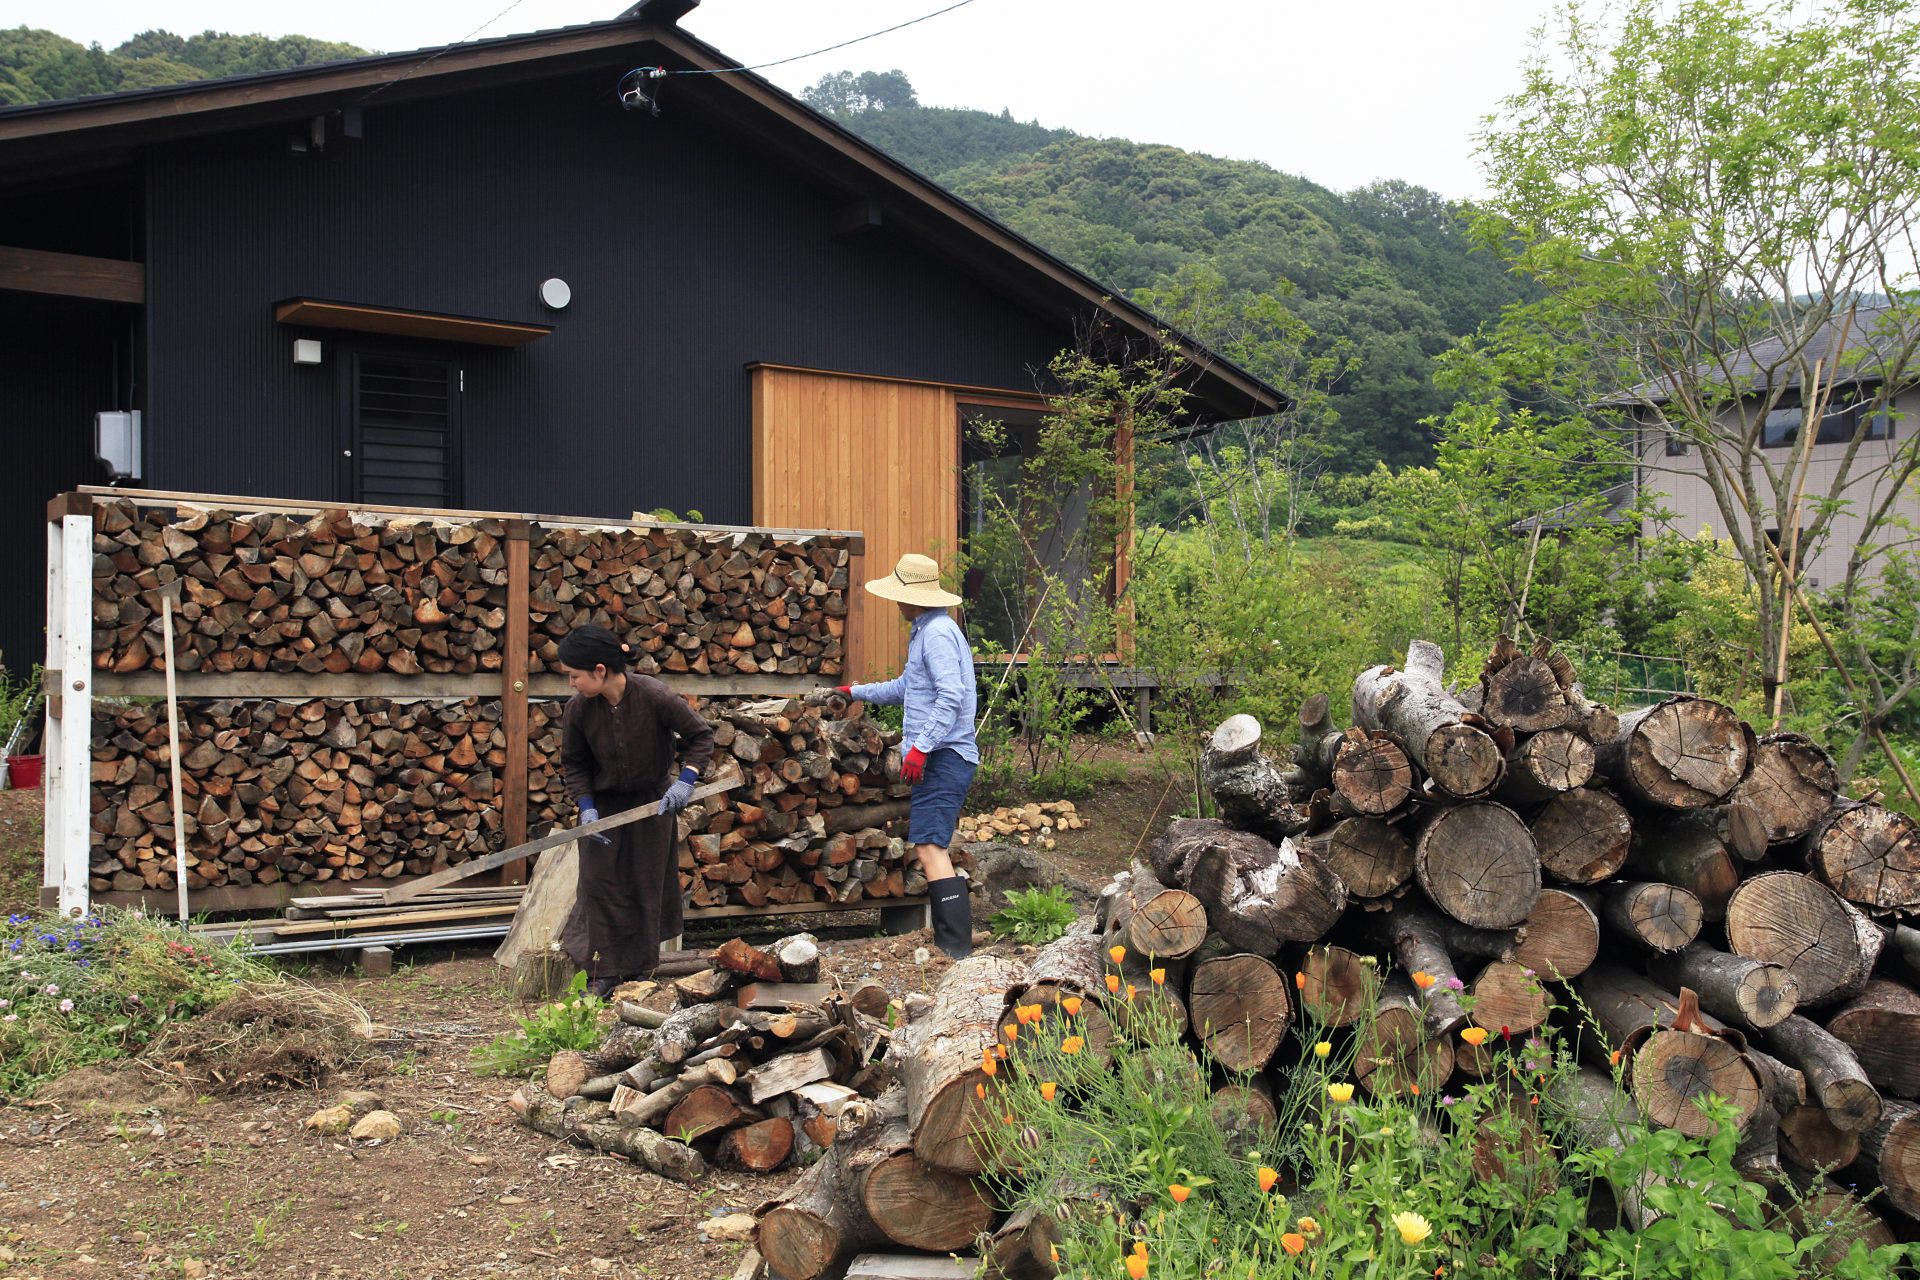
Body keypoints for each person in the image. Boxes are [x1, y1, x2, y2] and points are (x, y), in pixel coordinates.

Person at [820, 552, 979, 958]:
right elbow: (905, 688)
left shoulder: (937, 633)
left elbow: (951, 696)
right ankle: (954, 944)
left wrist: (921, 747)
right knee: (929, 843)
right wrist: (854, 692)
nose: (895, 603)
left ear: (912, 597)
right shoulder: (927, 630)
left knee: (929, 846)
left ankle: (955, 949)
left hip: (946, 754)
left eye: (897, 595)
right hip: (942, 753)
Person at [558, 624, 716, 995]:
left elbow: (700, 736)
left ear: (600, 670)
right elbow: (575, 763)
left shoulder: (654, 695)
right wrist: (587, 808)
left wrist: (685, 780)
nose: (571, 683)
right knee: (599, 885)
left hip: (652, 804)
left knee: (645, 884)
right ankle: (602, 973)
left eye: (574, 675)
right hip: (604, 807)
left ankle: (640, 972)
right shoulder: (578, 709)